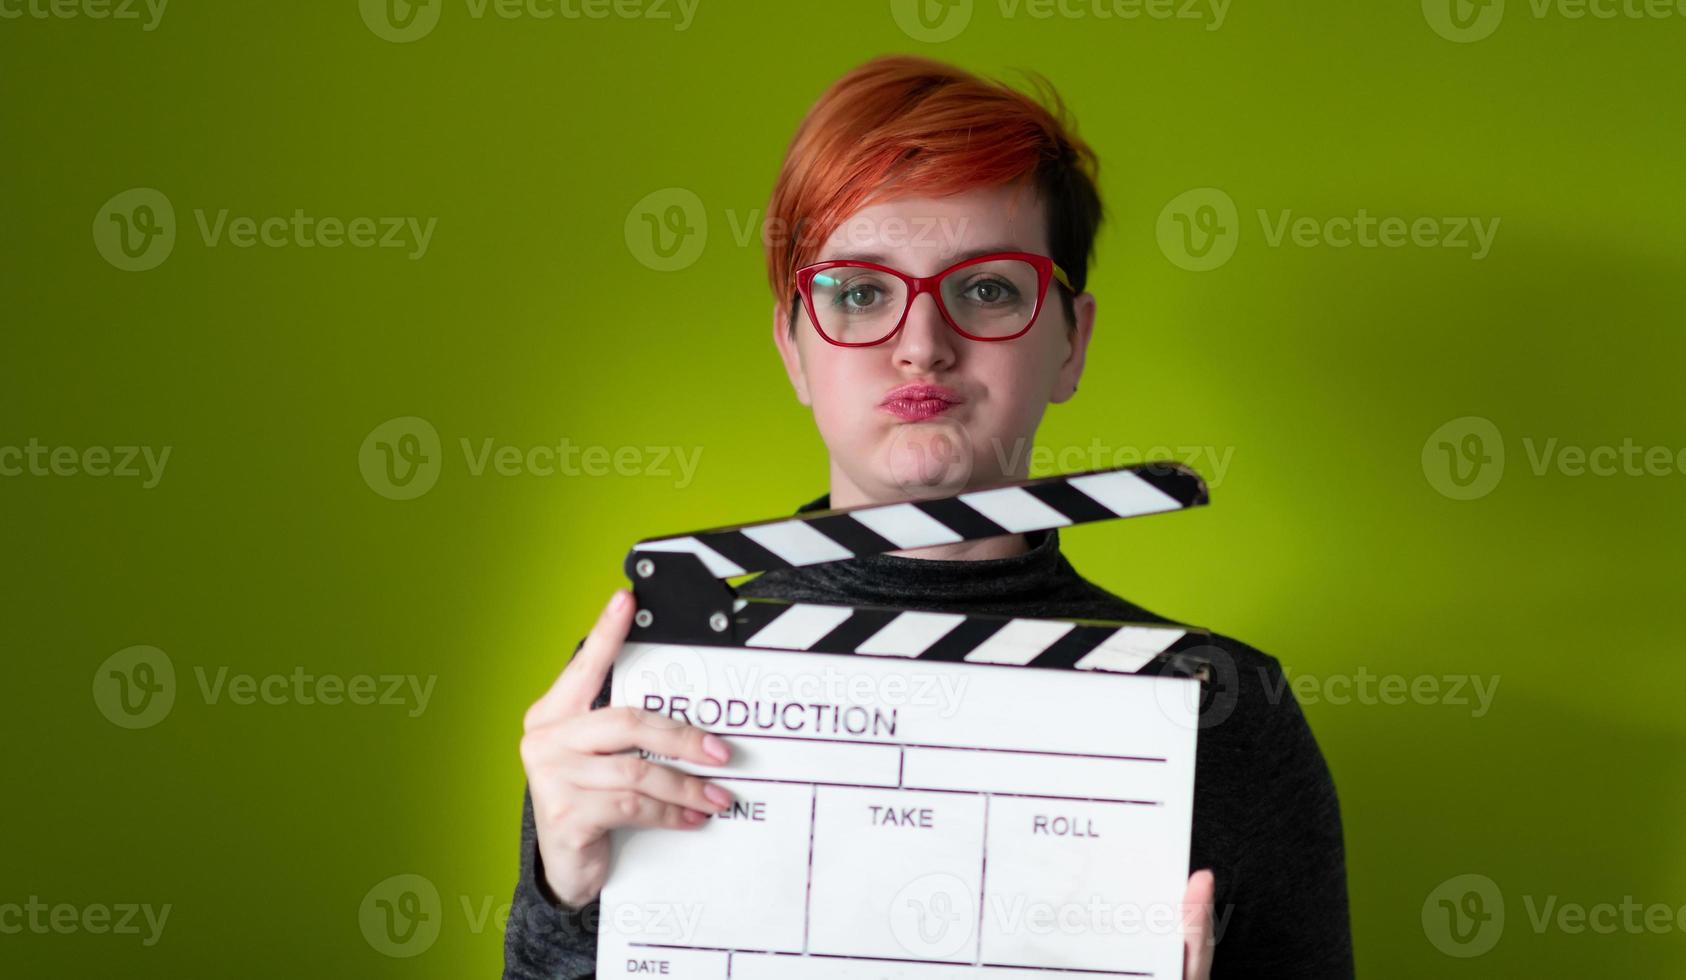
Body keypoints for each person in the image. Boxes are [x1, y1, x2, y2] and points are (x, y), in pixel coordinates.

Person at [505, 54, 1352, 980]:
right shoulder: (641, 694)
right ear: (793, 348)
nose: (921, 345)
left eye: (987, 288)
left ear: (1071, 341)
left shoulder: (1226, 709)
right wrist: (565, 901)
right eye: (859, 292)